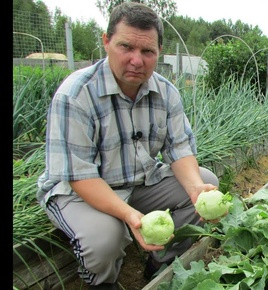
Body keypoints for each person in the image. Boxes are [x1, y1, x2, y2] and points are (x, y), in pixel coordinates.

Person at [35, 2, 219, 289]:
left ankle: (161, 263)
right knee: (104, 239)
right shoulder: (76, 94)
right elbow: (80, 176)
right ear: (106, 42)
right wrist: (130, 217)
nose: (137, 60)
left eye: (148, 51)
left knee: (206, 181)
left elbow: (179, 148)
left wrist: (196, 190)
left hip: (138, 182)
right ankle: (102, 283)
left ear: (159, 51)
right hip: (78, 190)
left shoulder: (165, 92)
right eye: (126, 47)